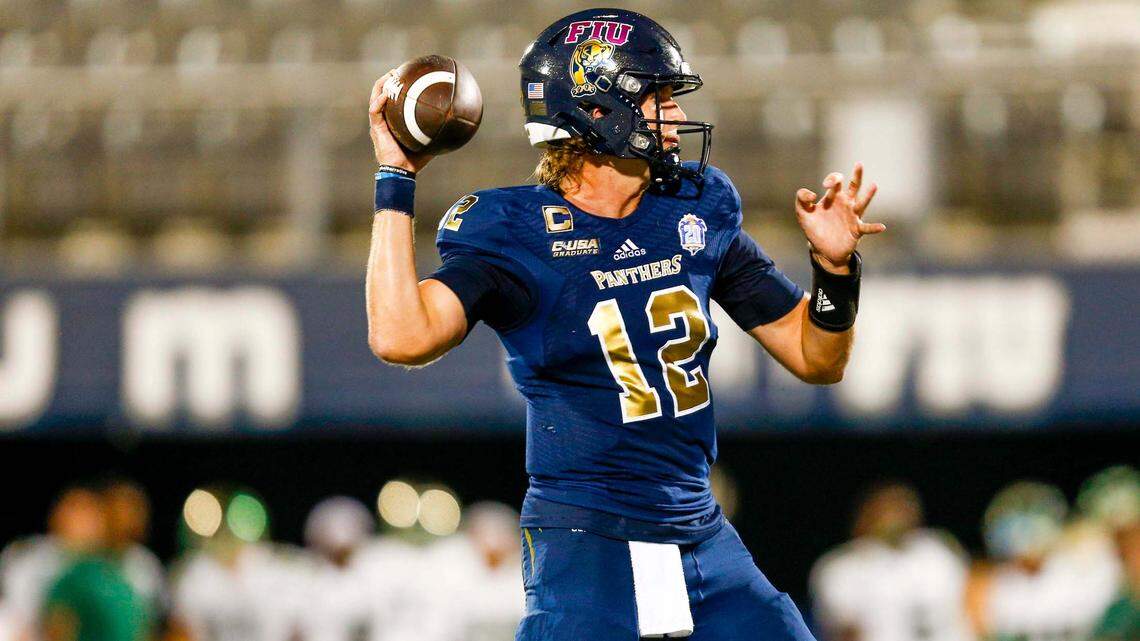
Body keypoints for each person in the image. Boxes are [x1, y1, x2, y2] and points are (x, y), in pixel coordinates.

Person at [365, 8, 883, 640]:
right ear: (597, 108)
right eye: (656, 97)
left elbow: (816, 357)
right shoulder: (514, 231)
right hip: (588, 540)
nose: (675, 117)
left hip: (699, 532)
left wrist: (834, 269)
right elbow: (400, 335)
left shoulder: (695, 209)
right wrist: (397, 180)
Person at [810, 482, 973, 641]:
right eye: (889, 507)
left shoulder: (939, 550)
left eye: (904, 506)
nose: (898, 515)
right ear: (867, 514)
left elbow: (971, 603)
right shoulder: (840, 567)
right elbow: (844, 632)